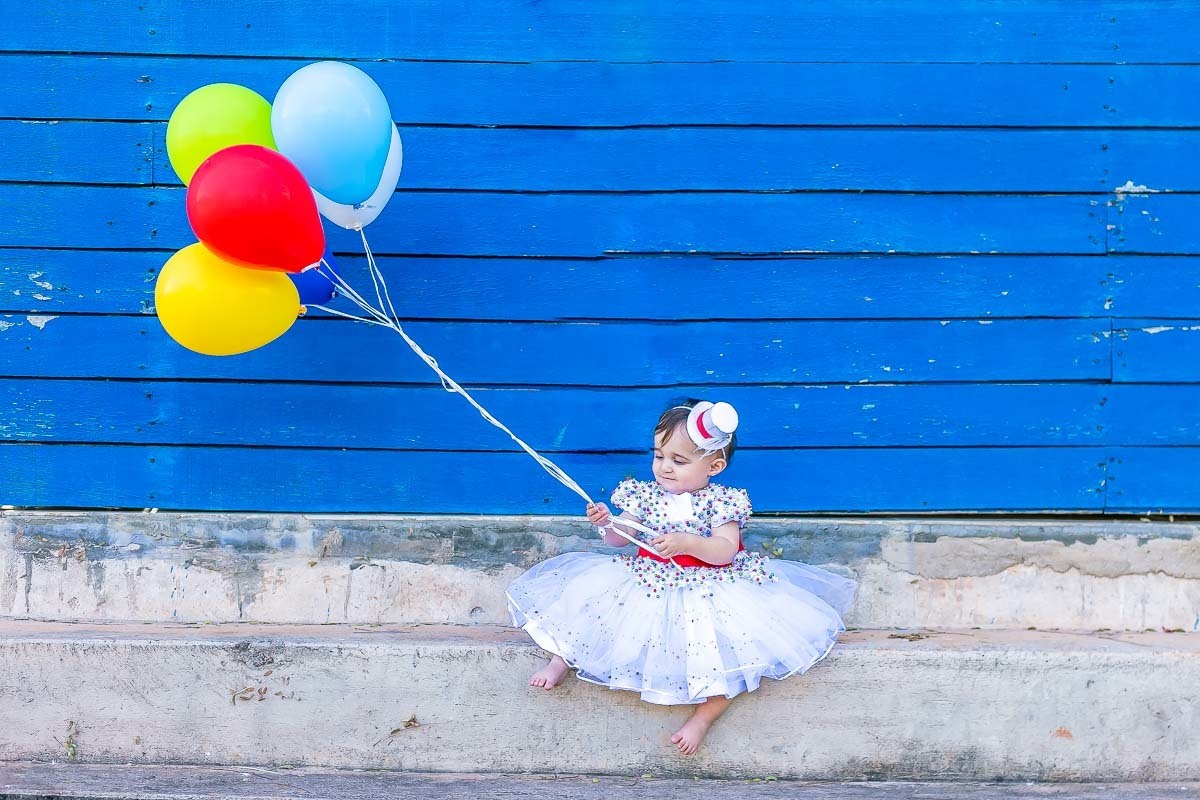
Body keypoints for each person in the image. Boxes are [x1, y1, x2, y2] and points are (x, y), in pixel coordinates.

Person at [506, 400, 856, 755]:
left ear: (714, 466)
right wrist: (607, 523)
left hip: (708, 587)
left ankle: (704, 716)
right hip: (648, 580)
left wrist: (688, 543)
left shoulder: (721, 502)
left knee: (723, 657)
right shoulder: (644, 496)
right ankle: (561, 660)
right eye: (659, 455)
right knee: (593, 613)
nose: (665, 467)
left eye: (679, 460)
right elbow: (618, 540)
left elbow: (725, 550)